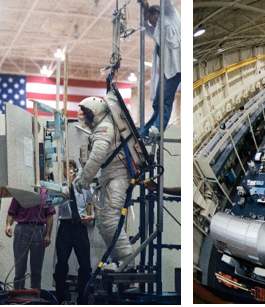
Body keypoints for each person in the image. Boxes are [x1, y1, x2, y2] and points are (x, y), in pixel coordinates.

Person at [74, 93, 134, 272]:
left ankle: (127, 263)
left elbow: (98, 156)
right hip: (111, 175)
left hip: (117, 176)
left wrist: (84, 180)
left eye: (87, 114)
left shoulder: (105, 127)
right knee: (104, 221)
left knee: (108, 220)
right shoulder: (105, 125)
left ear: (95, 113)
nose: (85, 117)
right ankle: (121, 262)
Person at [53, 160, 95, 304]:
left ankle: (82, 300)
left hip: (79, 227)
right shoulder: (59, 186)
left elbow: (96, 201)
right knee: (61, 264)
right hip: (65, 226)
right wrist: (68, 184)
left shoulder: (83, 186)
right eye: (66, 167)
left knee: (85, 265)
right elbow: (52, 202)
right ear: (62, 170)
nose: (69, 170)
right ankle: (62, 299)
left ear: (75, 169)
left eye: (71, 167)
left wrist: (92, 217)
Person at [139, 0, 181, 139]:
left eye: (152, 19)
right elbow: (144, 26)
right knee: (158, 102)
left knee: (165, 101)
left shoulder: (170, 14)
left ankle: (157, 128)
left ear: (157, 13)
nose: (152, 24)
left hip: (176, 68)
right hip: (166, 71)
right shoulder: (156, 30)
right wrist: (144, 6)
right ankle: (146, 132)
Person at [4, 190, 55, 290]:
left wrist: (48, 235)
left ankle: (35, 296)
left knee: (36, 269)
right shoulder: (21, 192)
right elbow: (11, 213)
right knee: (20, 267)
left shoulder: (46, 194)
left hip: (39, 230)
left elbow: (49, 216)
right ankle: (18, 294)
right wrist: (8, 225)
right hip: (22, 229)